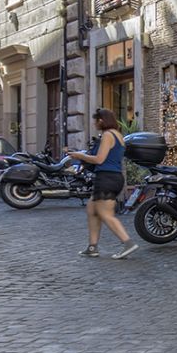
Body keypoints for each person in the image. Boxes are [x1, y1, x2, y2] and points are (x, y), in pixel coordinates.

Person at [65, 109, 137, 259]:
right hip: (113, 177)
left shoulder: (107, 135)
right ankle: (92, 247)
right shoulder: (118, 135)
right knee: (92, 209)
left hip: (106, 178)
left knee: (105, 214)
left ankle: (128, 243)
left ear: (102, 121)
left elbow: (99, 159)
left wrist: (79, 155)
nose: (94, 123)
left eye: (96, 120)